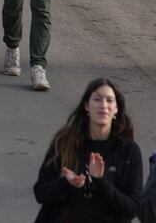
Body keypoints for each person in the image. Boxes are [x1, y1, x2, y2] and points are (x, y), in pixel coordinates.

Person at [33, 79, 144, 222]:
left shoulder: (128, 151)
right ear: (86, 105)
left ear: (116, 108)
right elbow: (40, 193)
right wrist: (67, 183)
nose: (103, 105)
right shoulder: (65, 142)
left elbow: (132, 209)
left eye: (109, 100)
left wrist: (100, 181)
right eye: (97, 99)